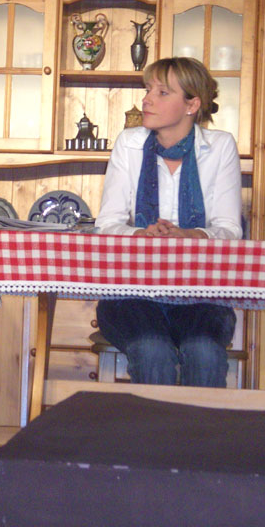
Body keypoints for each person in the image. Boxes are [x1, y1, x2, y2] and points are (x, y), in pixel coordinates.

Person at [95, 57, 242, 388]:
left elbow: (230, 231)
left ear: (192, 104)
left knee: (204, 353)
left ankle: (199, 426)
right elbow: (106, 225)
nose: (146, 99)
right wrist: (142, 233)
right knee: (152, 352)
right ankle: (155, 427)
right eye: (148, 89)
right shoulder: (129, 144)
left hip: (201, 294)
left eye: (162, 92)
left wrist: (191, 235)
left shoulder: (220, 147)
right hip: (131, 293)